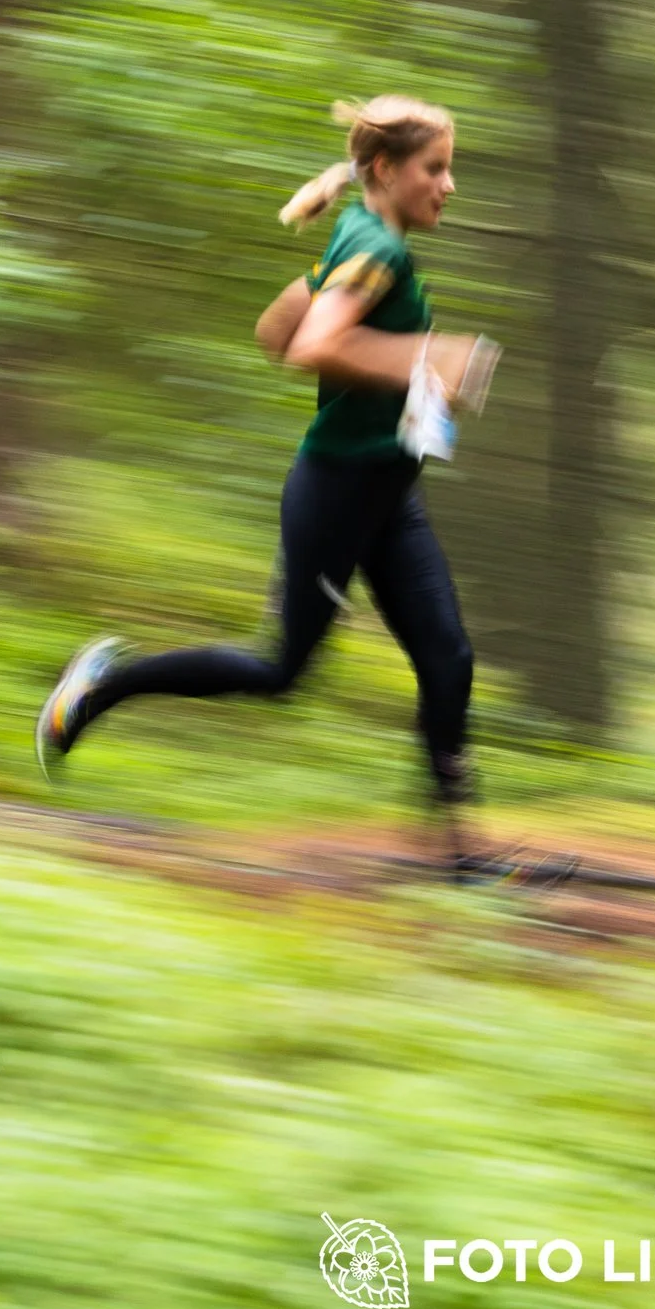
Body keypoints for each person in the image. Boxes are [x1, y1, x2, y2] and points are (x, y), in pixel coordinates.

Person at [36, 95, 504, 873]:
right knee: (279, 670)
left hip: (388, 496)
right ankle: (97, 688)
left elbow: (274, 330)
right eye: (437, 167)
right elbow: (312, 344)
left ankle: (461, 860)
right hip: (337, 492)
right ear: (386, 171)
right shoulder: (376, 249)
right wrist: (428, 359)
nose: (449, 185)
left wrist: (400, 365)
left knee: (447, 659)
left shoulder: (365, 236)